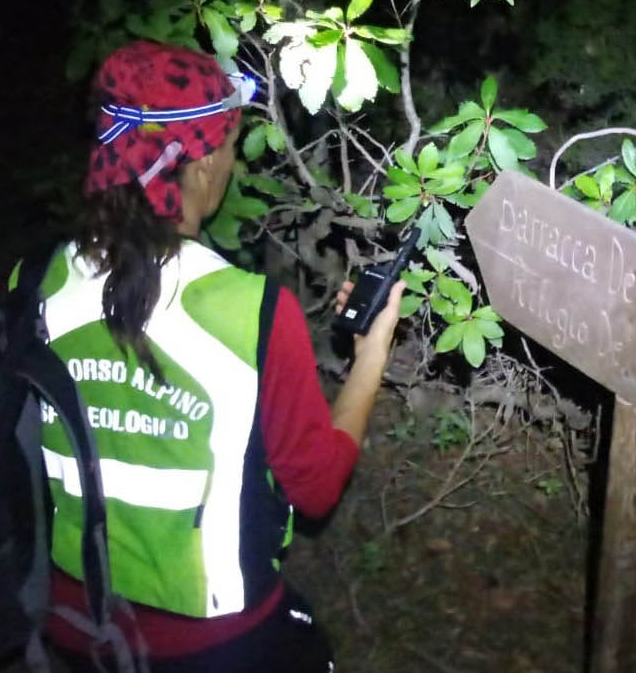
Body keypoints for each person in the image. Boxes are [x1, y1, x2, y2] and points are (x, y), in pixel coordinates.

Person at [26, 40, 403, 672]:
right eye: (230, 145)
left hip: (74, 621)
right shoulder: (250, 311)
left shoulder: (34, 283)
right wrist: (371, 357)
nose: (233, 162)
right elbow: (315, 487)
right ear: (200, 165)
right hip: (213, 642)